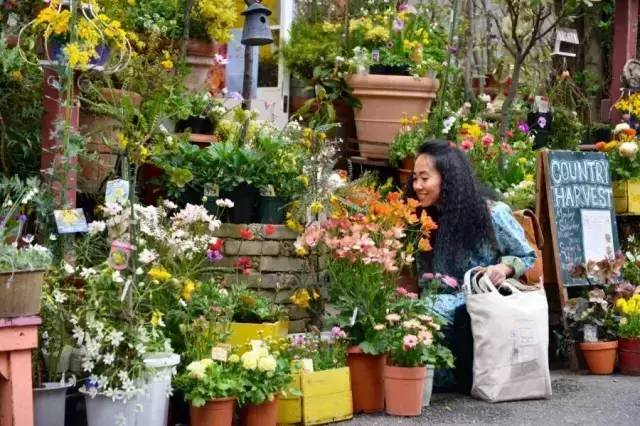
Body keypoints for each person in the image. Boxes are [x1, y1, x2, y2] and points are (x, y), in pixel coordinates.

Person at [405, 139, 536, 394]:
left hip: (477, 300)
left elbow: (526, 255)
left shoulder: (492, 213)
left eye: (424, 178)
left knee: (425, 312)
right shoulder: (425, 219)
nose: (417, 186)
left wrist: (504, 269)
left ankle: (439, 379)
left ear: (449, 178)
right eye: (414, 179)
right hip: (436, 299)